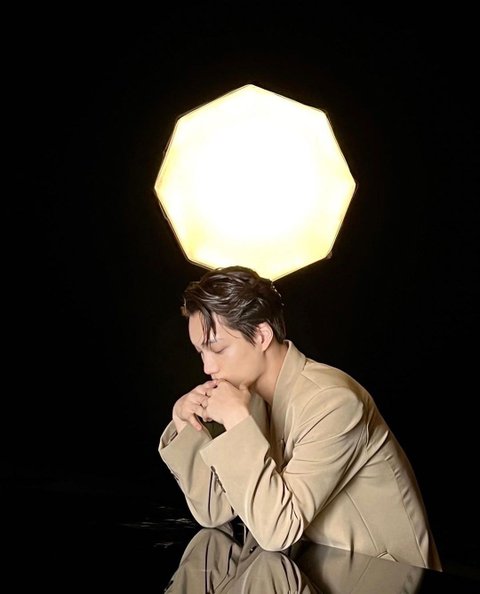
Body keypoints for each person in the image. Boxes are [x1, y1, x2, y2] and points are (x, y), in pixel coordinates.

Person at [158, 265, 442, 570]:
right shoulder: (249, 399)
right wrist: (184, 423)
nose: (207, 367)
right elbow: (215, 512)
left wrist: (238, 422)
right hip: (310, 572)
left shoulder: (333, 402)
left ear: (261, 335)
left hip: (387, 578)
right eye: (200, 352)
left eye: (218, 349)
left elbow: (277, 530)